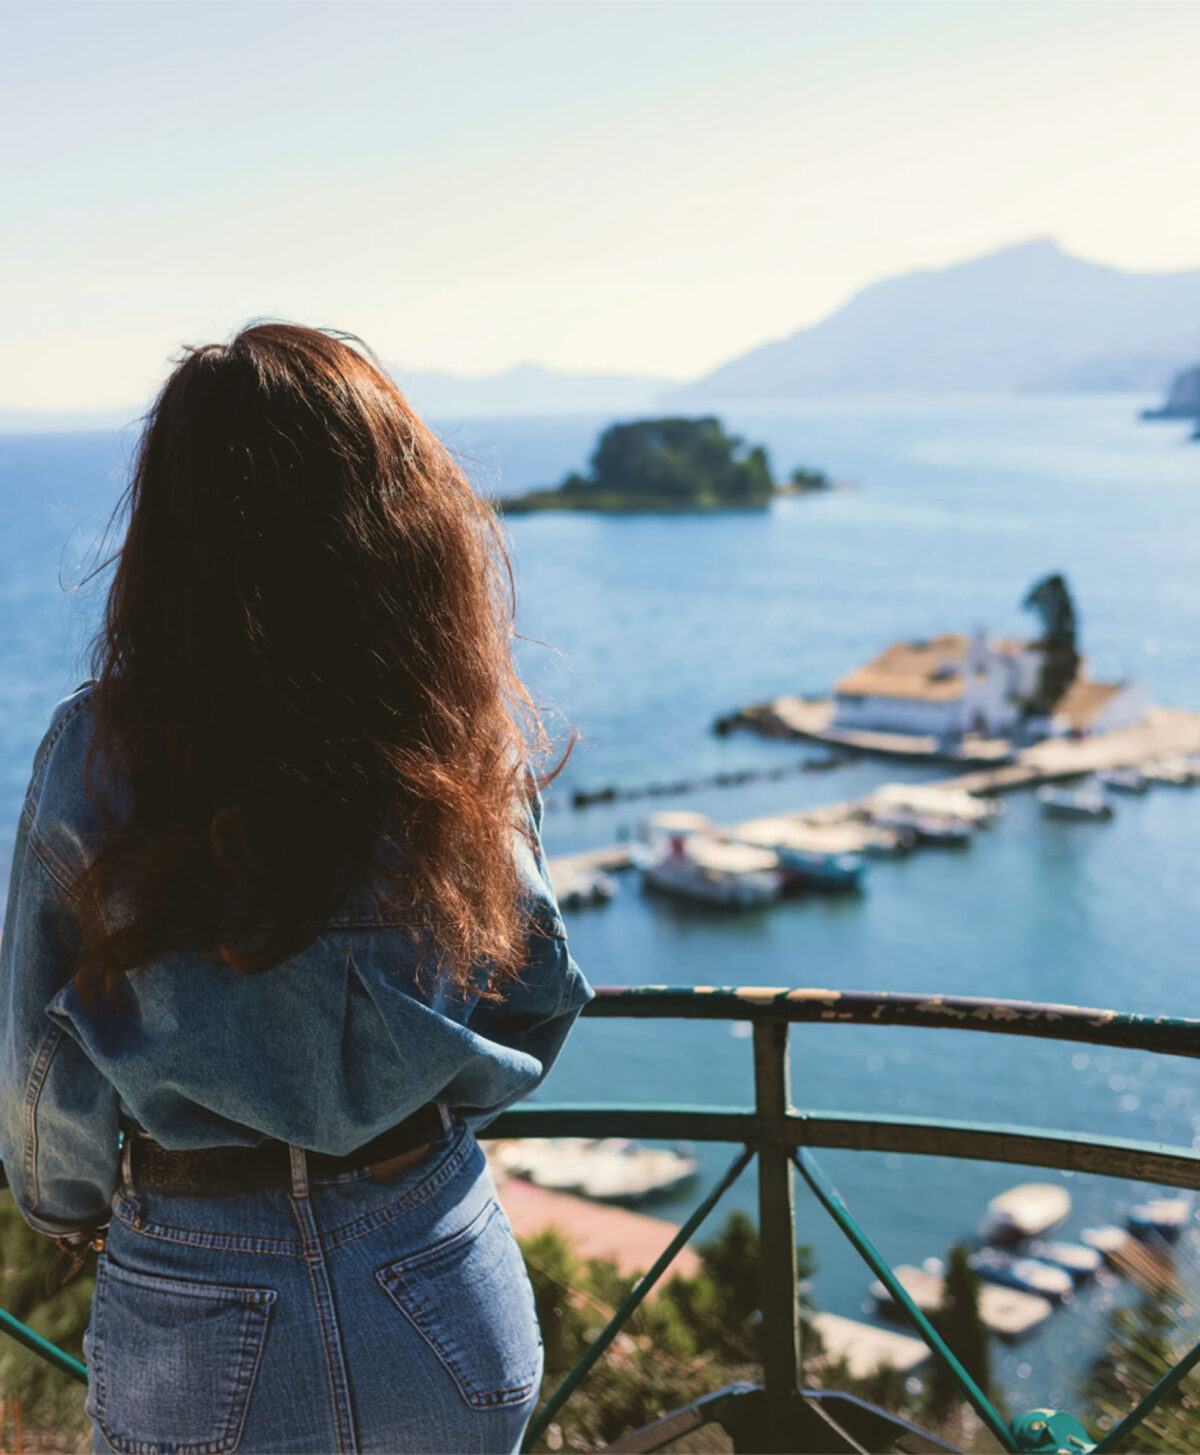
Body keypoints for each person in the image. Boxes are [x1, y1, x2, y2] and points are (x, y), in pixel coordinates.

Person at [0, 323, 592, 1454]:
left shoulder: (98, 754)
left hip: (198, 1290)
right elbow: (538, 985)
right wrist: (403, 1104)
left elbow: (42, 1056)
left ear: (172, 530)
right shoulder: (455, 735)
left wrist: (66, 1205)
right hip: (437, 1263)